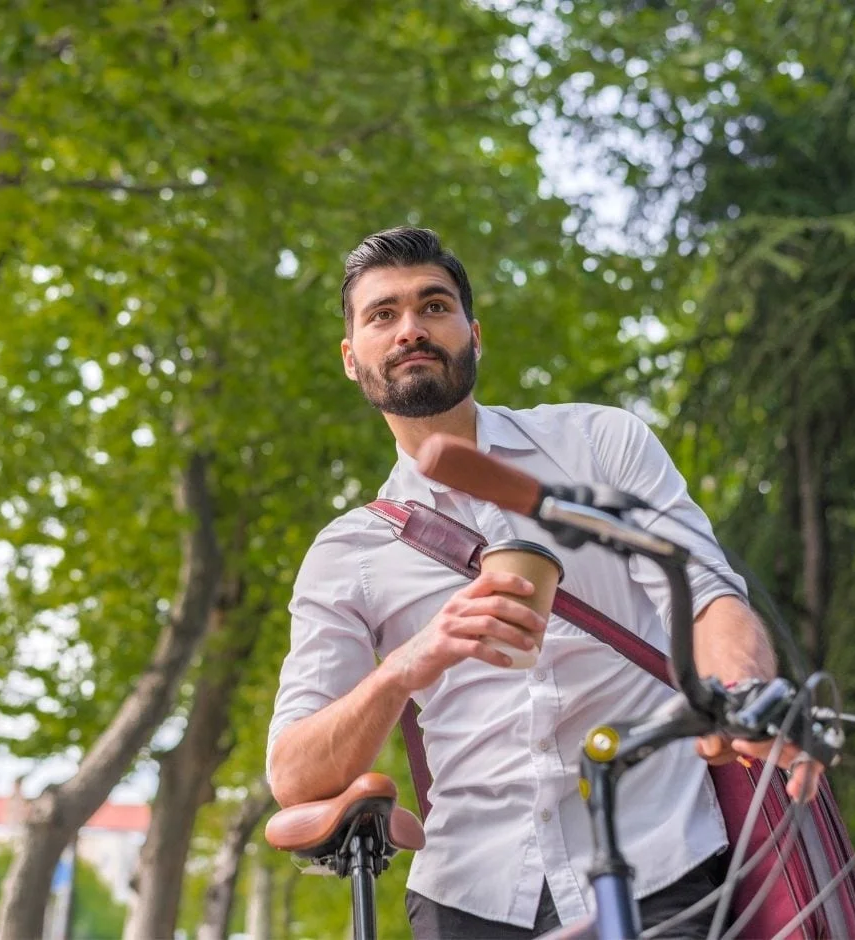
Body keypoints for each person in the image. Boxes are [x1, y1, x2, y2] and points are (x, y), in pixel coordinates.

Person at [265, 227, 820, 939]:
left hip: (660, 862)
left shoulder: (599, 445)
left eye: (434, 306)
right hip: (469, 893)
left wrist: (748, 702)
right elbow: (296, 777)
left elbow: (709, 595)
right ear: (351, 358)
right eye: (382, 314)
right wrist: (409, 663)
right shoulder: (348, 551)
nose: (411, 329)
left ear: (473, 332)